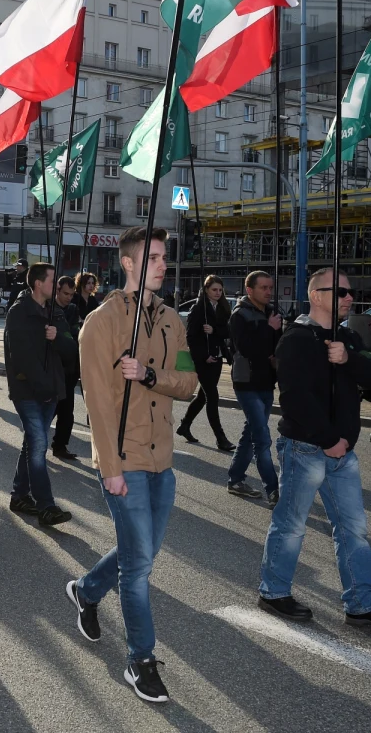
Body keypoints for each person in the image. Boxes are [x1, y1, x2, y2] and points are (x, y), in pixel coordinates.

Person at [67, 226, 198, 703]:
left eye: (165, 257)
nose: (164, 264)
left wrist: (148, 374)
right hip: (124, 459)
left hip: (163, 457)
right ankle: (140, 659)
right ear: (127, 263)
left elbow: (189, 384)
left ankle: (85, 591)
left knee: (140, 554)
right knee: (139, 566)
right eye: (155, 257)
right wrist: (111, 469)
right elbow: (98, 405)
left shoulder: (171, 319)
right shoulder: (100, 323)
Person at [257, 268, 371, 630]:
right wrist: (329, 440)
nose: (348, 297)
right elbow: (294, 398)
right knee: (291, 525)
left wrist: (348, 359)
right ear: (317, 295)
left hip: (343, 453)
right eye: (340, 291)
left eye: (349, 291)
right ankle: (273, 592)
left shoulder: (346, 336)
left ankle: (362, 602)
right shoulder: (296, 338)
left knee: (353, 528)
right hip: (306, 448)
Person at [4, 263, 78, 526]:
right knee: (37, 447)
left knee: (31, 444)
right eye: (51, 281)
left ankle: (19, 495)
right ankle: (46, 506)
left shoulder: (55, 313)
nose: (56, 286)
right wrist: (44, 389)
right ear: (37, 283)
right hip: (28, 392)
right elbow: (21, 358)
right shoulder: (18, 312)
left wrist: (57, 337)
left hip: (52, 391)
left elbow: (72, 349)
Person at [226, 270, 282, 502]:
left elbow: (276, 346)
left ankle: (236, 479)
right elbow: (247, 349)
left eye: (271, 287)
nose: (269, 292)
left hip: (266, 381)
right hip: (246, 382)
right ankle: (273, 489)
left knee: (251, 433)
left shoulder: (271, 312)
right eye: (264, 288)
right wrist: (269, 329)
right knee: (261, 437)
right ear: (250, 290)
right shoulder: (240, 315)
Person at [178, 275, 236, 451]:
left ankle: (185, 425)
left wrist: (214, 330)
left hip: (218, 358)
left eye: (220, 290)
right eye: (214, 290)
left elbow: (229, 331)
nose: (218, 293)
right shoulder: (198, 309)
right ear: (206, 290)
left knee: (204, 396)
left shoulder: (224, 307)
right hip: (204, 360)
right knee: (212, 396)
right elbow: (190, 336)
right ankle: (220, 438)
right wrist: (203, 356)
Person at [50, 276, 82, 461]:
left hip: (70, 369)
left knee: (66, 412)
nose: (69, 297)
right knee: (49, 410)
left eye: (71, 294)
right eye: (65, 293)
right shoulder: (49, 309)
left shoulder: (72, 309)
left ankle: (60, 446)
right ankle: (32, 443)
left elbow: (75, 335)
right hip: (53, 368)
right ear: (57, 290)